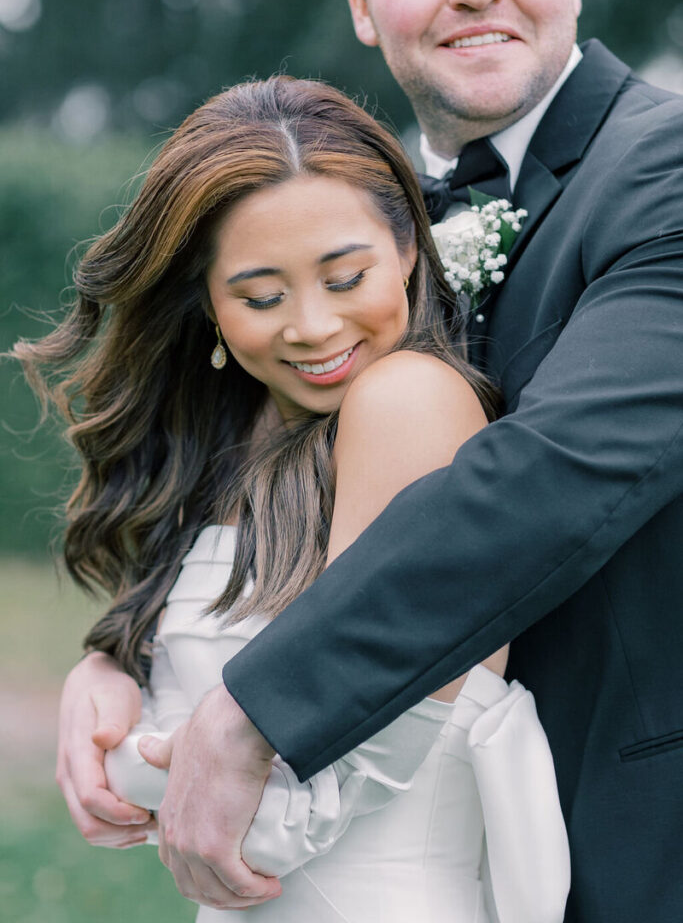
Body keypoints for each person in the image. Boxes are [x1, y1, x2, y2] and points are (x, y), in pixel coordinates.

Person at [53, 0, 683, 920]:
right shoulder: (352, 216)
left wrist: (258, 708)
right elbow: (260, 483)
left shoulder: (663, 167)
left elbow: (560, 469)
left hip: (630, 832)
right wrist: (120, 651)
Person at [14, 77, 570, 922]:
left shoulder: (409, 406)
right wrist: (110, 672)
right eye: (262, 297)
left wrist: (127, 766)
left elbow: (300, 810)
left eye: (346, 277)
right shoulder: (240, 436)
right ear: (205, 300)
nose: (310, 327)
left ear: (409, 252)